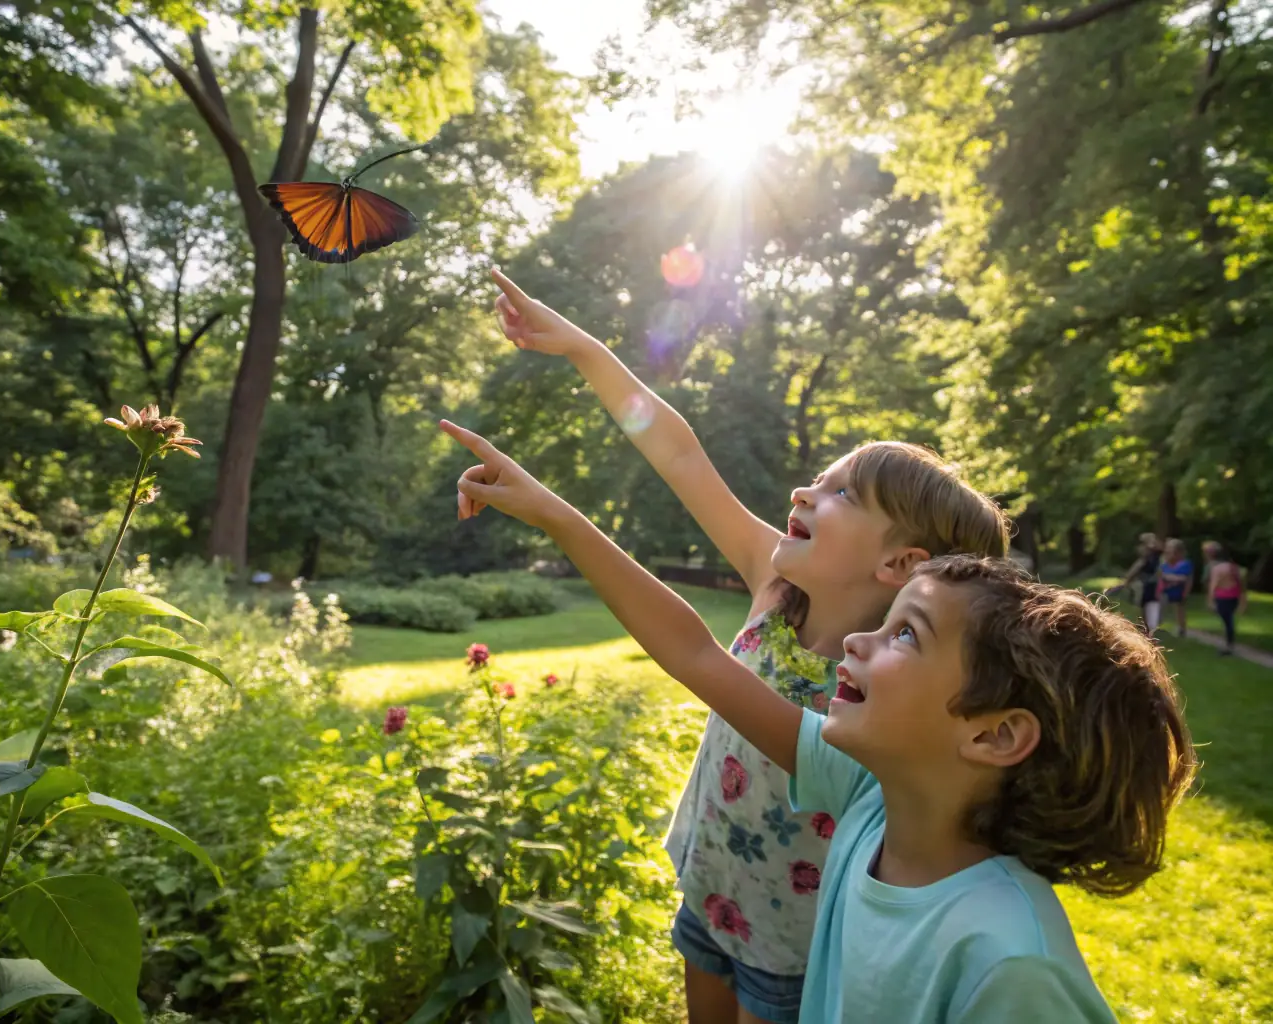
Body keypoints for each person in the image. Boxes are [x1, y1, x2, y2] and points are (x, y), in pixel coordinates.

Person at [439, 420, 1196, 1024]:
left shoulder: (1009, 962)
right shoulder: (870, 805)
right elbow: (692, 652)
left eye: (906, 635)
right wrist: (548, 509)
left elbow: (694, 652)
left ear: (994, 734)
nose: (859, 648)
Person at [487, 270, 1010, 1024]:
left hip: (793, 948)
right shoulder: (776, 586)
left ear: (900, 566)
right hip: (712, 887)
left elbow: (693, 650)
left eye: (838, 496)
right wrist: (581, 349)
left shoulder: (880, 690)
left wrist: (557, 515)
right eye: (815, 481)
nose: (802, 494)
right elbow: (679, 455)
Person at [1203, 541, 1246, 655]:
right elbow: (1241, 586)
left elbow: (1213, 585)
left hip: (1222, 596)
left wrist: (1210, 600)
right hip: (1234, 595)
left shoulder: (1217, 568)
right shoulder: (1234, 568)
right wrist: (1243, 602)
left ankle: (1228, 645)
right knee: (1228, 620)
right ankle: (1229, 643)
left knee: (1227, 621)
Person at [1117, 533, 1163, 636]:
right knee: (1143, 613)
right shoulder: (1145, 560)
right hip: (1146, 588)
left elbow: (1159, 547)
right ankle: (1146, 633)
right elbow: (1134, 572)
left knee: (1151, 615)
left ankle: (1150, 634)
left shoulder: (1156, 556)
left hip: (1154, 589)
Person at [1158, 539, 1193, 637]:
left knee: (1180, 610)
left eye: (1171, 550)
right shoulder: (1164, 564)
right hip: (1164, 591)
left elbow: (1186, 579)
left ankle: (1181, 630)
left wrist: (1186, 592)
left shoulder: (1184, 564)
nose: (1168, 552)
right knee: (1160, 609)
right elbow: (1160, 576)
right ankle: (1156, 628)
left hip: (1179, 592)